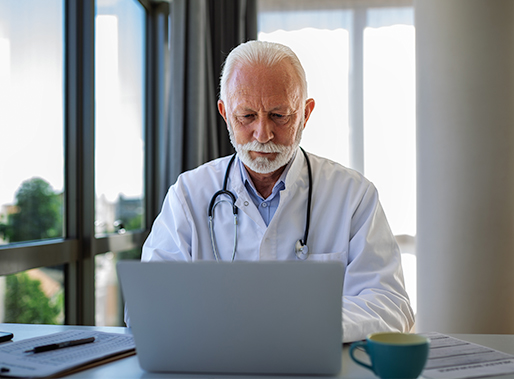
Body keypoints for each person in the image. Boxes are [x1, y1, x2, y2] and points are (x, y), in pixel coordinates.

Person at [131, 40, 414, 342]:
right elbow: (147, 305)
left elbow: (390, 304)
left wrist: (302, 325)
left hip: (316, 365)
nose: (263, 134)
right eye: (247, 116)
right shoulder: (188, 195)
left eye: (279, 116)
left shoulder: (354, 196)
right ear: (225, 113)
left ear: (305, 114)